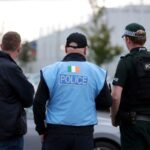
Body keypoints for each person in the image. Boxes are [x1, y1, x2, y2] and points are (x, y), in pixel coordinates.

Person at [33, 32, 112, 150]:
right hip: (83, 135)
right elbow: (106, 103)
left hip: (55, 134)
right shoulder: (97, 72)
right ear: (85, 50)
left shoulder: (50, 71)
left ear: (65, 49)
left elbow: (38, 104)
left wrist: (41, 130)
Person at [111, 23, 150, 150]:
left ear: (128, 40)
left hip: (133, 127)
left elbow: (116, 96)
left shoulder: (126, 61)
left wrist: (114, 118)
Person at [0, 31, 34, 150]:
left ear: (1, 45)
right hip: (8, 135)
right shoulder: (11, 68)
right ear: (19, 48)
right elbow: (29, 98)